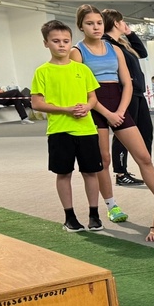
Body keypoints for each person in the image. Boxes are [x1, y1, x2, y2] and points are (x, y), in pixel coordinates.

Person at [71, 4, 154, 223]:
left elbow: (127, 83)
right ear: (81, 26)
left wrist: (119, 110)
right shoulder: (77, 52)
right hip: (95, 106)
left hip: (118, 103)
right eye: (90, 24)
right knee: (104, 159)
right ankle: (111, 205)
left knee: (144, 157)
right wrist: (107, 113)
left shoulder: (116, 49)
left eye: (99, 23)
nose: (96, 27)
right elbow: (80, 90)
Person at [29, 20, 103, 232]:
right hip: (60, 130)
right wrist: (66, 109)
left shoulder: (83, 70)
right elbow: (37, 103)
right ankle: (70, 217)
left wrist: (87, 107)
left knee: (91, 172)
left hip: (87, 129)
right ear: (46, 43)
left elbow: (93, 98)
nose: (61, 45)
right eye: (56, 41)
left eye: (66, 41)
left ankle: (94, 214)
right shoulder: (42, 72)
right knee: (64, 174)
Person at [103, 9, 154, 187]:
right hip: (125, 93)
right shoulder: (106, 44)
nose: (125, 24)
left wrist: (130, 33)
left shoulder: (122, 43)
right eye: (123, 22)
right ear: (117, 23)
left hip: (138, 93)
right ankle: (120, 172)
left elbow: (142, 52)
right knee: (123, 134)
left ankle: (146, 166)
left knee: (146, 131)